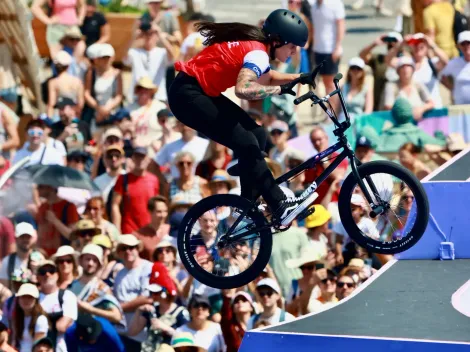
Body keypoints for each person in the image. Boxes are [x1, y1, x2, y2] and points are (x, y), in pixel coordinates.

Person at [169, 9, 316, 224]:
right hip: (187, 96)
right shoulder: (258, 53)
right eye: (292, 46)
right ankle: (279, 204)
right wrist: (279, 91)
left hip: (196, 91)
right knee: (247, 142)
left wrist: (299, 77)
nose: (294, 52)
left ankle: (245, 204)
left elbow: (267, 77)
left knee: (258, 134)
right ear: (277, 41)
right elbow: (243, 89)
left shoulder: (258, 48)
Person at [12, 283, 49, 352]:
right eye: (23, 297)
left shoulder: (41, 319)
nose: (26, 300)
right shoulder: (18, 318)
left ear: (36, 300)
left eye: (30, 297)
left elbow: (39, 348)